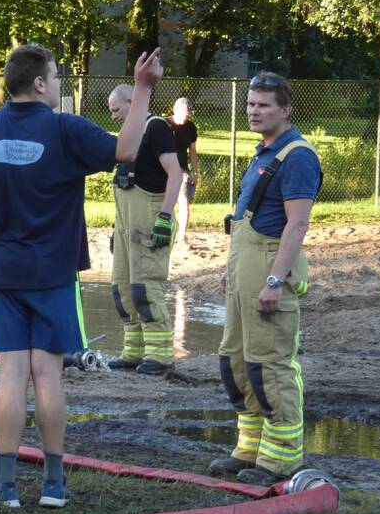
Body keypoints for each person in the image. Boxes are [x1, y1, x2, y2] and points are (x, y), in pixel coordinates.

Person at [0, 44, 165, 508]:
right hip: (55, 272)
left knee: (12, 374)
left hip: (6, 269)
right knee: (48, 373)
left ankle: (4, 485)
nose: (59, 84)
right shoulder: (66, 128)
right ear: (39, 83)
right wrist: (142, 88)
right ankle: (54, 485)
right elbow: (126, 150)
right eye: (57, 77)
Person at [210, 72, 322, 486]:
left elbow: (297, 225)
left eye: (263, 105)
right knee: (237, 363)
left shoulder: (297, 156)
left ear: (286, 110)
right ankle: (250, 450)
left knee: (269, 367)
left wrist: (275, 280)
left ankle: (282, 459)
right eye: (251, 104)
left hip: (270, 271)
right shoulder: (264, 153)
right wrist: (232, 272)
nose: (254, 111)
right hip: (246, 269)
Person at [106, 84, 183, 376]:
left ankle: (160, 355)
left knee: (145, 287)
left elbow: (175, 174)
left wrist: (165, 216)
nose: (114, 116)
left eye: (117, 109)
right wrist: (117, 230)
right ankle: (134, 350)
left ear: (132, 100)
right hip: (127, 224)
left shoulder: (156, 128)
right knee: (122, 288)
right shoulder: (129, 135)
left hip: (151, 220)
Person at [167, 97, 199, 247]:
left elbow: (193, 151)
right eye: (183, 115)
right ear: (175, 110)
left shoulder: (190, 127)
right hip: (164, 170)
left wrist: (195, 172)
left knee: (184, 203)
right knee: (163, 203)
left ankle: (181, 237)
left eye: (188, 115)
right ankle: (166, 232)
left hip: (181, 170)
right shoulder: (164, 125)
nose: (186, 118)